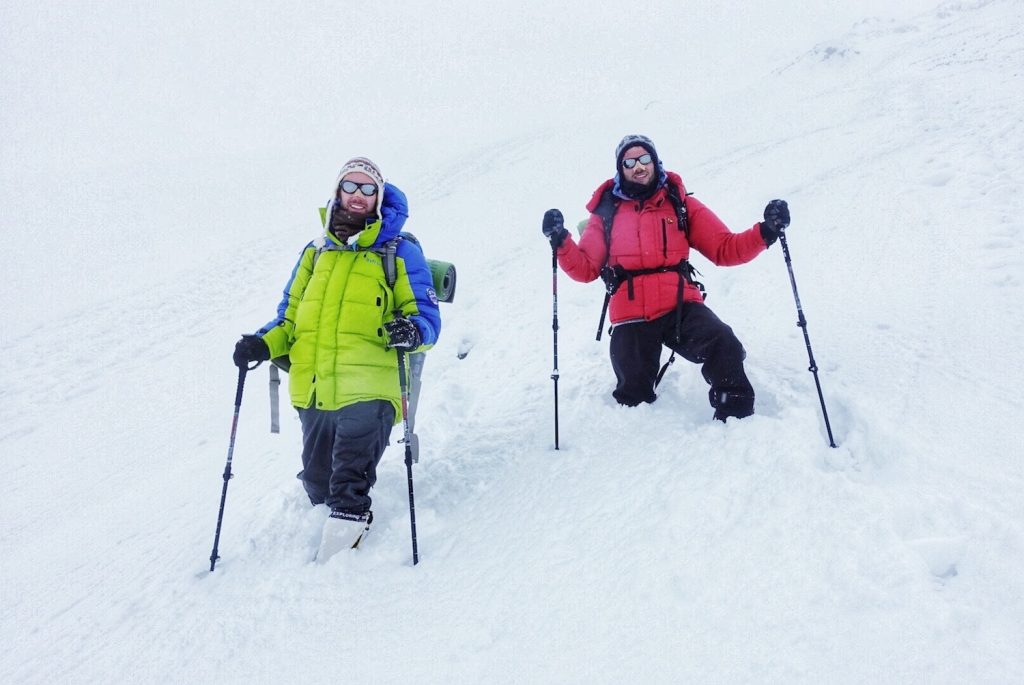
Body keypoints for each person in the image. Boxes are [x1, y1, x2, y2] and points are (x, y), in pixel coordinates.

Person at [233, 157, 441, 557]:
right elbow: (290, 320)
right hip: (316, 388)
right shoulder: (315, 254)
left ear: (379, 197)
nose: (358, 196)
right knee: (318, 483)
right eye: (351, 187)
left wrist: (412, 331)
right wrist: (262, 344)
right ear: (337, 193)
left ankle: (344, 553)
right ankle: (334, 517)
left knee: (347, 483)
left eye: (368, 189)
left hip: (370, 386)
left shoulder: (399, 252)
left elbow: (427, 318)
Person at [541, 134, 789, 421]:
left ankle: (736, 417)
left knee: (723, 342)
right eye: (629, 162)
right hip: (631, 315)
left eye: (644, 159)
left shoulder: (679, 203)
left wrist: (767, 231)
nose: (638, 167)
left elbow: (725, 249)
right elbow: (585, 269)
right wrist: (560, 241)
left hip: (679, 306)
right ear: (621, 169)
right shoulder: (605, 213)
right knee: (633, 397)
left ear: (655, 161)